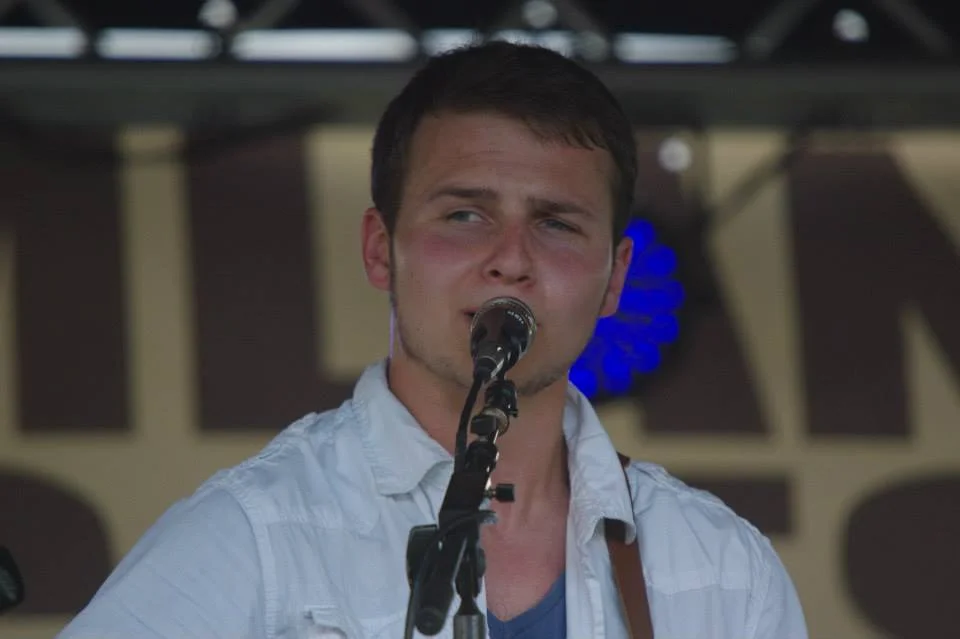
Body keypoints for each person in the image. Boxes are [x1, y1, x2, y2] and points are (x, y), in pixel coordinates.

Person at [56, 40, 807, 639]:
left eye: (556, 223)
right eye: (465, 215)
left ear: (614, 279)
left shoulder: (722, 570)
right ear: (380, 248)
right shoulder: (253, 534)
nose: (511, 258)